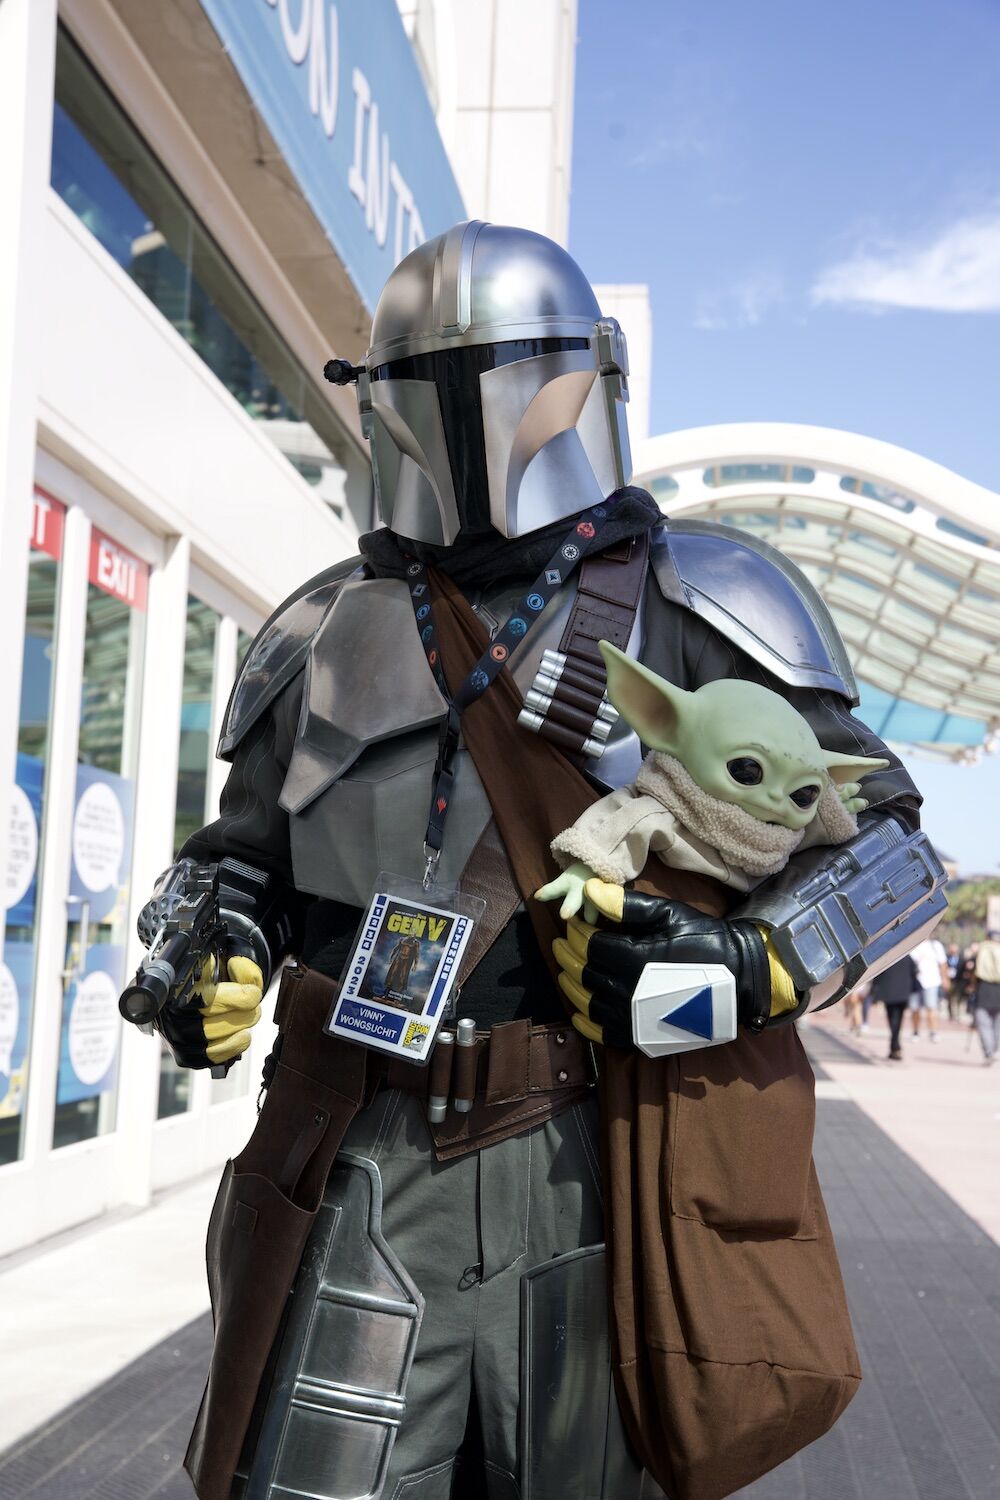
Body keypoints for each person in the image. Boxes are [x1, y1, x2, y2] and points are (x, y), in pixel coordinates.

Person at [125, 221, 945, 1500]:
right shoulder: (317, 626)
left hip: (600, 1161)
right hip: (364, 1151)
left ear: (576, 384)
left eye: (496, 375)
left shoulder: (706, 593)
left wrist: (756, 959)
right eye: (430, 383)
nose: (467, 419)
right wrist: (207, 952)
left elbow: (890, 845)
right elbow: (236, 863)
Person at [870, 952, 919, 1060]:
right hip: (902, 993)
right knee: (897, 1020)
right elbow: (915, 971)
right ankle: (895, 1046)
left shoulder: (887, 956)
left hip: (890, 993)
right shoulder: (907, 956)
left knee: (893, 1020)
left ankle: (895, 1046)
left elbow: (877, 975)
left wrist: (873, 992)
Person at [909, 933, 947, 1041]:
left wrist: (944, 979)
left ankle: (933, 1031)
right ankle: (915, 1032)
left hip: (932, 981)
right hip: (916, 982)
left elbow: (943, 963)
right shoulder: (913, 945)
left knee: (931, 1007)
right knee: (915, 1008)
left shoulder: (936, 945)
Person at [973, 929, 1000, 1065]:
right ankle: (994, 1049)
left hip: (983, 989)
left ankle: (989, 1051)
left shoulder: (981, 949)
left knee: (984, 1023)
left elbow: (973, 971)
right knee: (997, 1023)